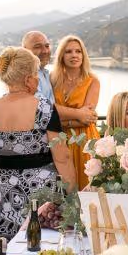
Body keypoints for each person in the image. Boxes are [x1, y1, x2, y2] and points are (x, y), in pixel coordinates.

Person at [0, 47, 76, 255]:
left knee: (3, 254)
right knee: (40, 252)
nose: (38, 80)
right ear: (28, 79)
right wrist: (71, 197)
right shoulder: (45, 109)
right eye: (36, 74)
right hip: (40, 196)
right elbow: (63, 157)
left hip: (1, 195)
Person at [51, 35, 99, 189]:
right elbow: (49, 113)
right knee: (62, 190)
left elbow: (87, 119)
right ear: (61, 56)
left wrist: (60, 118)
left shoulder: (92, 81)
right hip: (58, 140)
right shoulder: (53, 80)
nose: (74, 55)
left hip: (84, 141)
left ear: (83, 55)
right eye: (68, 51)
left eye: (78, 51)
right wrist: (77, 115)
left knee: (86, 186)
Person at [21, 30, 55, 106]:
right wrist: (78, 112)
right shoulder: (25, 76)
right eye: (37, 47)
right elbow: (42, 107)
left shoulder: (44, 73)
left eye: (47, 46)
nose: (45, 51)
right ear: (24, 50)